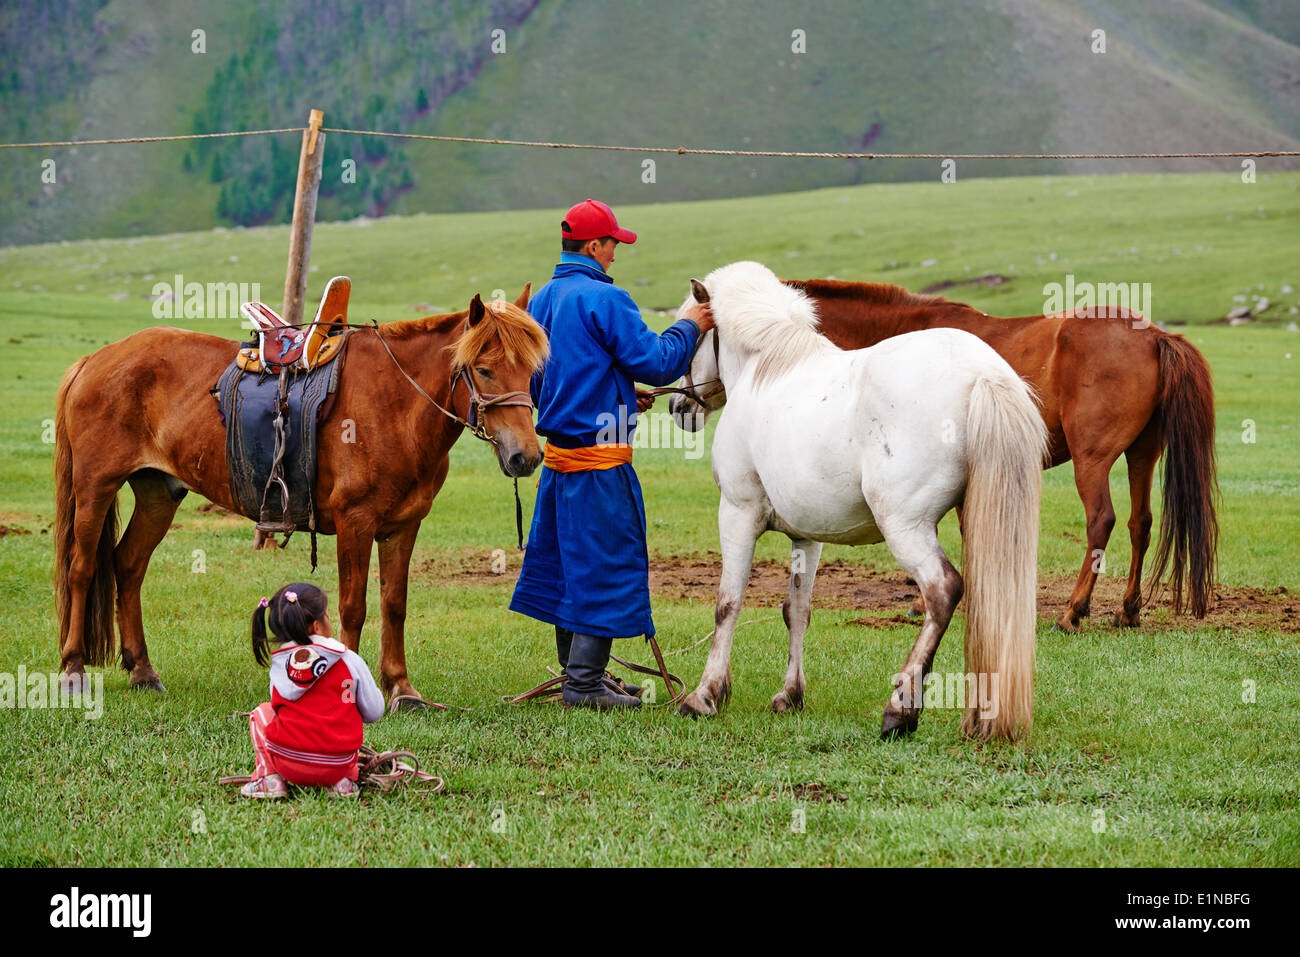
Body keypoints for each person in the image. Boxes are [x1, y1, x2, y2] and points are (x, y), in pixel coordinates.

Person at [509, 198, 714, 710]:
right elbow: (661, 361)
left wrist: (619, 396)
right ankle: (582, 687)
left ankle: (582, 677)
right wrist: (691, 323)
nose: (615, 256)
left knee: (566, 566)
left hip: (559, 464)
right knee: (604, 565)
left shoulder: (544, 300)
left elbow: (540, 383)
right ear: (593, 245)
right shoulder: (609, 299)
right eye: (612, 246)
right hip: (600, 468)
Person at [240, 582, 385, 798]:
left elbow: (278, 709)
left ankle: (270, 778)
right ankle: (340, 784)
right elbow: (374, 712)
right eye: (327, 615)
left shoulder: (280, 663)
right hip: (339, 766)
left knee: (262, 712)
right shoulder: (348, 659)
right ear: (317, 626)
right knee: (347, 714)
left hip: (288, 765)